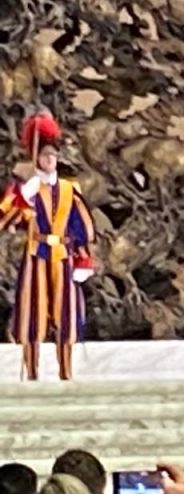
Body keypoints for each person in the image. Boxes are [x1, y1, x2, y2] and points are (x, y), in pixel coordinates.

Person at [0, 112, 96, 381]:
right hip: (36, 255)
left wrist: (84, 258)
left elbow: (81, 226)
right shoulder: (27, 189)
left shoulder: (69, 189)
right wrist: (22, 197)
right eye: (44, 156)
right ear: (37, 159)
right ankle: (32, 371)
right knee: (33, 313)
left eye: (53, 156)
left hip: (63, 256)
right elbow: (6, 218)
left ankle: (66, 371)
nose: (49, 160)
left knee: (65, 314)